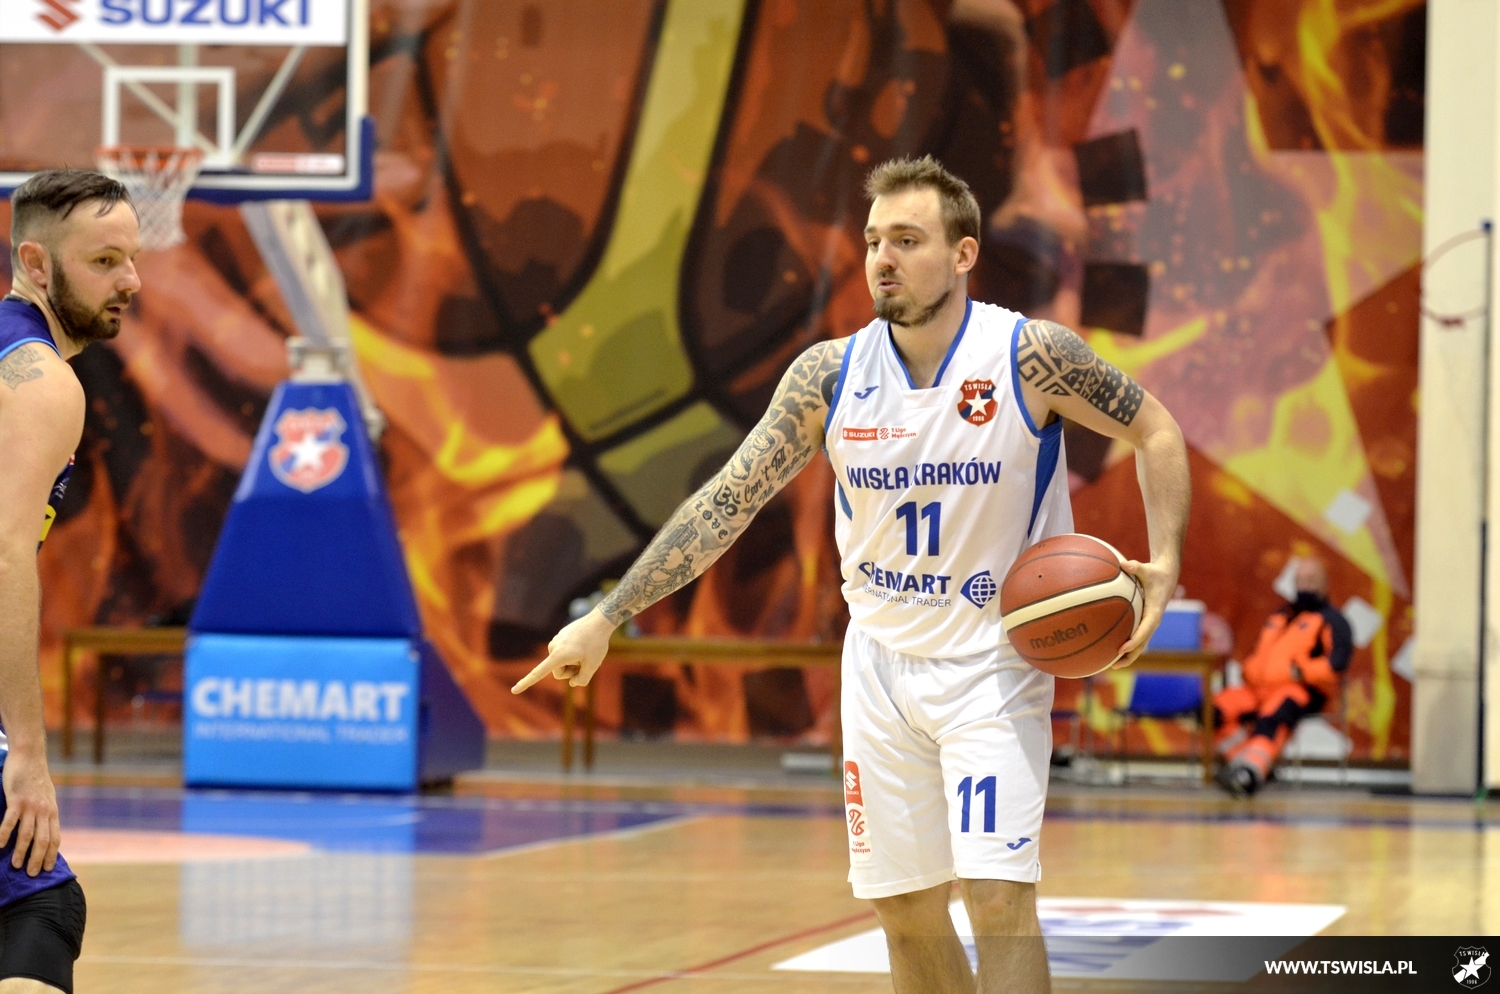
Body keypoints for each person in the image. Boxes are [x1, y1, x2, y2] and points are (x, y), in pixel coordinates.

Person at [513, 156, 1190, 994]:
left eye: (907, 240)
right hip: (878, 668)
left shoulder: (1028, 356)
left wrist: (1165, 564)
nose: (882, 260)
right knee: (904, 910)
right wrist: (607, 615)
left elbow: (1156, 431)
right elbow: (727, 502)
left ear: (964, 254)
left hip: (992, 666)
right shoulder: (828, 376)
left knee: (996, 896)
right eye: (873, 241)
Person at [0, 169, 141, 992]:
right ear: (36, 264)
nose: (131, 280)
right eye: (104, 261)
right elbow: (7, 557)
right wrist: (28, 754)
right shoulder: (44, 383)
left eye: (132, 257)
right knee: (41, 901)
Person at [1213, 556, 1352, 798]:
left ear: (1324, 584)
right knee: (1214, 710)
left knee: (1272, 717)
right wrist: (1251, 669)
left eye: (1311, 580)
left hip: (1299, 690)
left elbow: (1336, 665)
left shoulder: (1333, 621)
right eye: (1300, 580)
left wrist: (1300, 671)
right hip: (1257, 689)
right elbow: (1259, 654)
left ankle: (1248, 775)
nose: (1305, 586)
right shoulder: (1280, 616)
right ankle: (1246, 765)